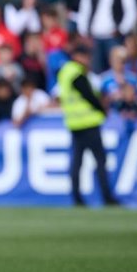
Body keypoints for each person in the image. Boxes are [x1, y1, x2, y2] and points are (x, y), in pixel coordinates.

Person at [57, 44, 119, 207]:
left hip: (74, 123)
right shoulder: (76, 72)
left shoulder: (64, 72)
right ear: (78, 56)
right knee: (100, 161)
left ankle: (77, 198)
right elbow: (88, 95)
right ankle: (107, 197)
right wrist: (101, 109)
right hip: (89, 123)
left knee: (77, 162)